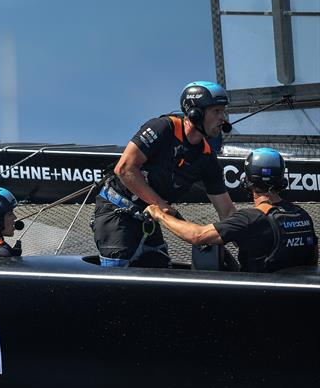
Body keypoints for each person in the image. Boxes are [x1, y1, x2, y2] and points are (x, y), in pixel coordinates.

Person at [92, 81, 237, 267]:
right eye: (216, 111)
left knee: (162, 273)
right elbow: (125, 168)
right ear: (195, 113)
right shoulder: (163, 128)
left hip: (148, 217)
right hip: (116, 212)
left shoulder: (207, 157)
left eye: (223, 111)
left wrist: (252, 238)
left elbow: (227, 211)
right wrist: (160, 205)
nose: (223, 118)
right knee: (119, 275)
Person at [146, 148, 317, 272]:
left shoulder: (250, 219)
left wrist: (159, 214)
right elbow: (312, 261)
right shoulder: (302, 215)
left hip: (258, 303)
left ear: (248, 181)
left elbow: (197, 236)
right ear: (281, 179)